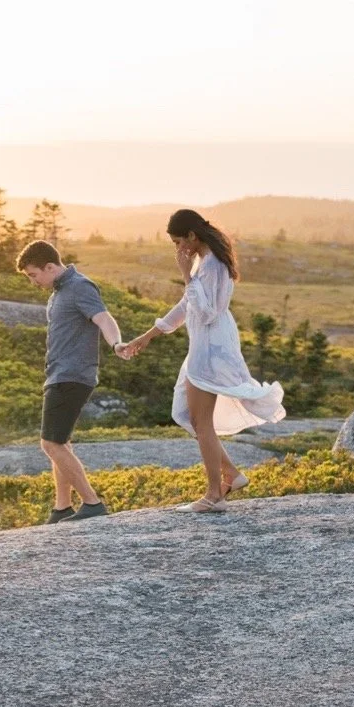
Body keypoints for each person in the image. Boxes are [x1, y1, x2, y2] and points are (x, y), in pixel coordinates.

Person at [120, 209, 285, 513]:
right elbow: (188, 305)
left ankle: (215, 495)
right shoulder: (203, 260)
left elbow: (207, 312)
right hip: (202, 345)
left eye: (178, 242)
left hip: (211, 347)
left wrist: (185, 275)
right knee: (188, 414)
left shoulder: (214, 265)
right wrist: (147, 336)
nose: (177, 249)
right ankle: (231, 476)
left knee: (201, 422)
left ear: (192, 236)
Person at [17, 238, 128, 523]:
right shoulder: (57, 293)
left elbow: (104, 318)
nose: (33, 281)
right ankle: (61, 508)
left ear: (50, 266)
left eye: (33, 274)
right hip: (59, 373)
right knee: (60, 442)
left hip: (73, 374)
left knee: (50, 444)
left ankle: (92, 503)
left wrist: (116, 344)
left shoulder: (80, 286)